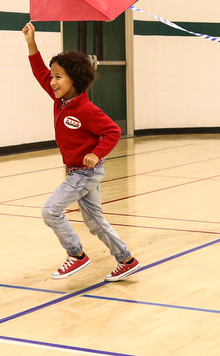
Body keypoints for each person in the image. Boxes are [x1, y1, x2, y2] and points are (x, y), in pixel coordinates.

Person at [22, 22, 140, 282]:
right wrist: (31, 41)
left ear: (75, 80)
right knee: (95, 222)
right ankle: (126, 260)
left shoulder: (86, 110)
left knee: (50, 211)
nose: (51, 82)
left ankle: (76, 255)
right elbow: (38, 70)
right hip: (77, 171)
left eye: (58, 77)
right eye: (52, 77)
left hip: (86, 173)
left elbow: (112, 132)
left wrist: (97, 153)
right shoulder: (59, 101)